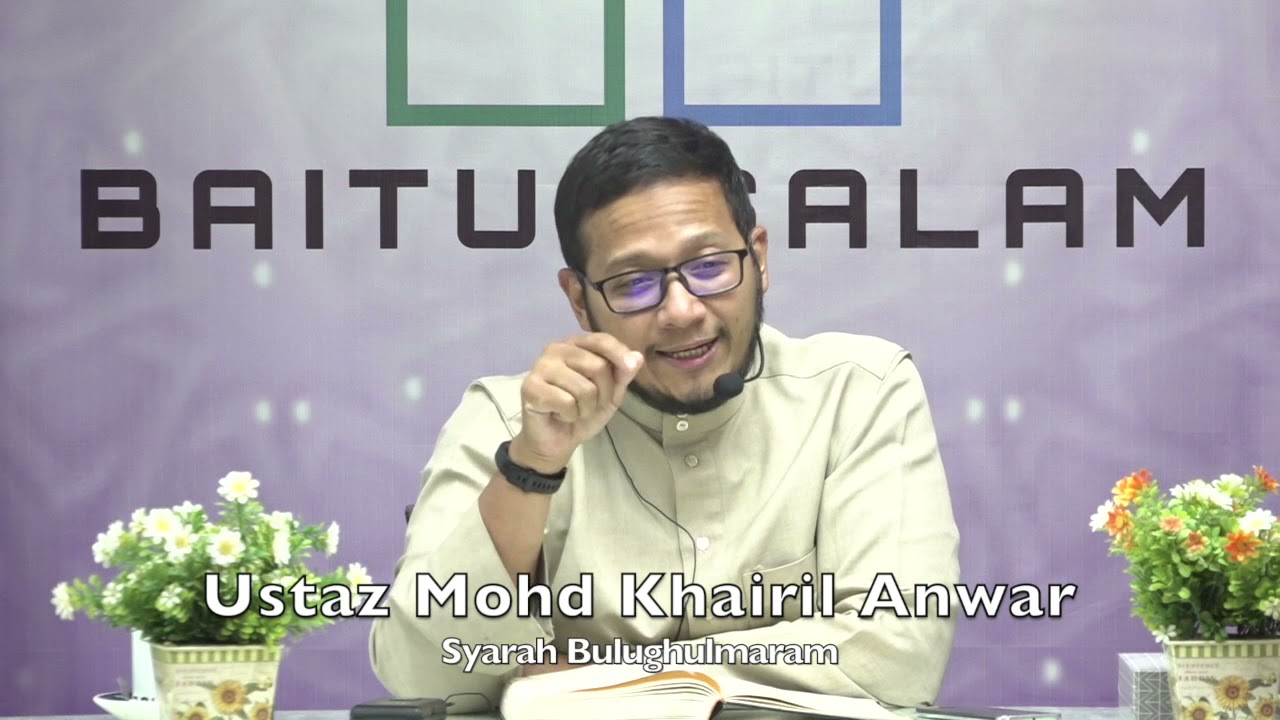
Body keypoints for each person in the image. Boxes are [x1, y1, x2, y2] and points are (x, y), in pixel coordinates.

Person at [369, 116, 960, 711]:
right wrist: (531, 468)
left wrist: (603, 675)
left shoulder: (859, 392)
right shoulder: (508, 422)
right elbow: (421, 679)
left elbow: (899, 652)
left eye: (710, 266)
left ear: (758, 260)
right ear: (580, 300)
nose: (681, 311)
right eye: (634, 283)